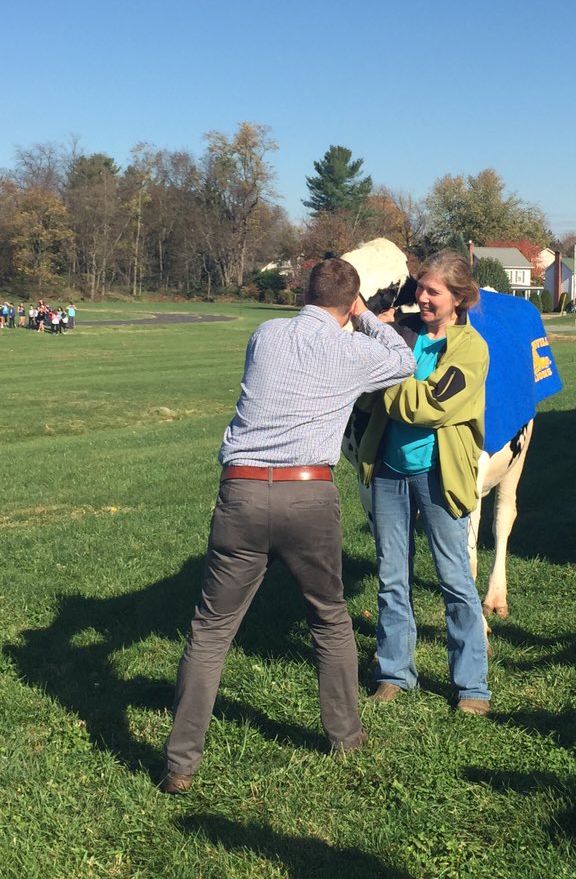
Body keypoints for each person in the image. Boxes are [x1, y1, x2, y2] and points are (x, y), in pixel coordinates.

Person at [160, 258, 417, 794]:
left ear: (304, 293)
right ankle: (345, 737)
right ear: (350, 302)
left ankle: (181, 764)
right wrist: (365, 318)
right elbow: (403, 360)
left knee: (211, 631)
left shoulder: (265, 335)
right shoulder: (353, 349)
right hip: (308, 494)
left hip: (242, 490)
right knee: (329, 618)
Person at [355, 250, 492, 714]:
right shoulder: (402, 332)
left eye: (434, 291)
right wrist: (374, 339)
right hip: (389, 471)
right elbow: (364, 389)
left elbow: (430, 406)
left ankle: (472, 686)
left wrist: (388, 374)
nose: (424, 297)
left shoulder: (470, 348)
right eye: (421, 288)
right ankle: (395, 672)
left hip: (439, 474)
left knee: (454, 579)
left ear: (459, 298)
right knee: (391, 576)